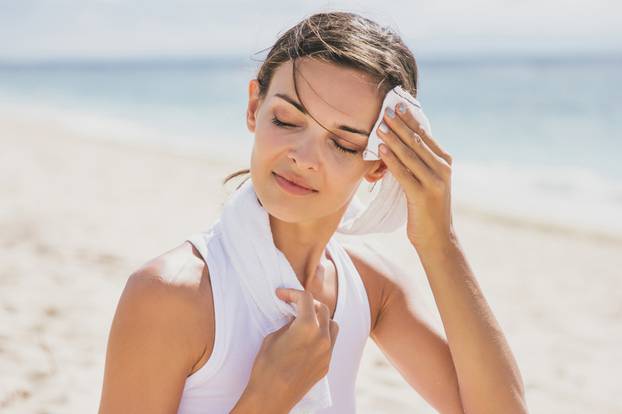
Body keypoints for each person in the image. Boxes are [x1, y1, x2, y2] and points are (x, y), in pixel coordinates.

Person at [98, 11, 528, 414]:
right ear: (254, 107)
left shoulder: (369, 288)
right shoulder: (172, 294)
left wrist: (439, 241)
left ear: (380, 163)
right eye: (287, 119)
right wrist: (268, 398)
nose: (304, 157)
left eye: (343, 143)